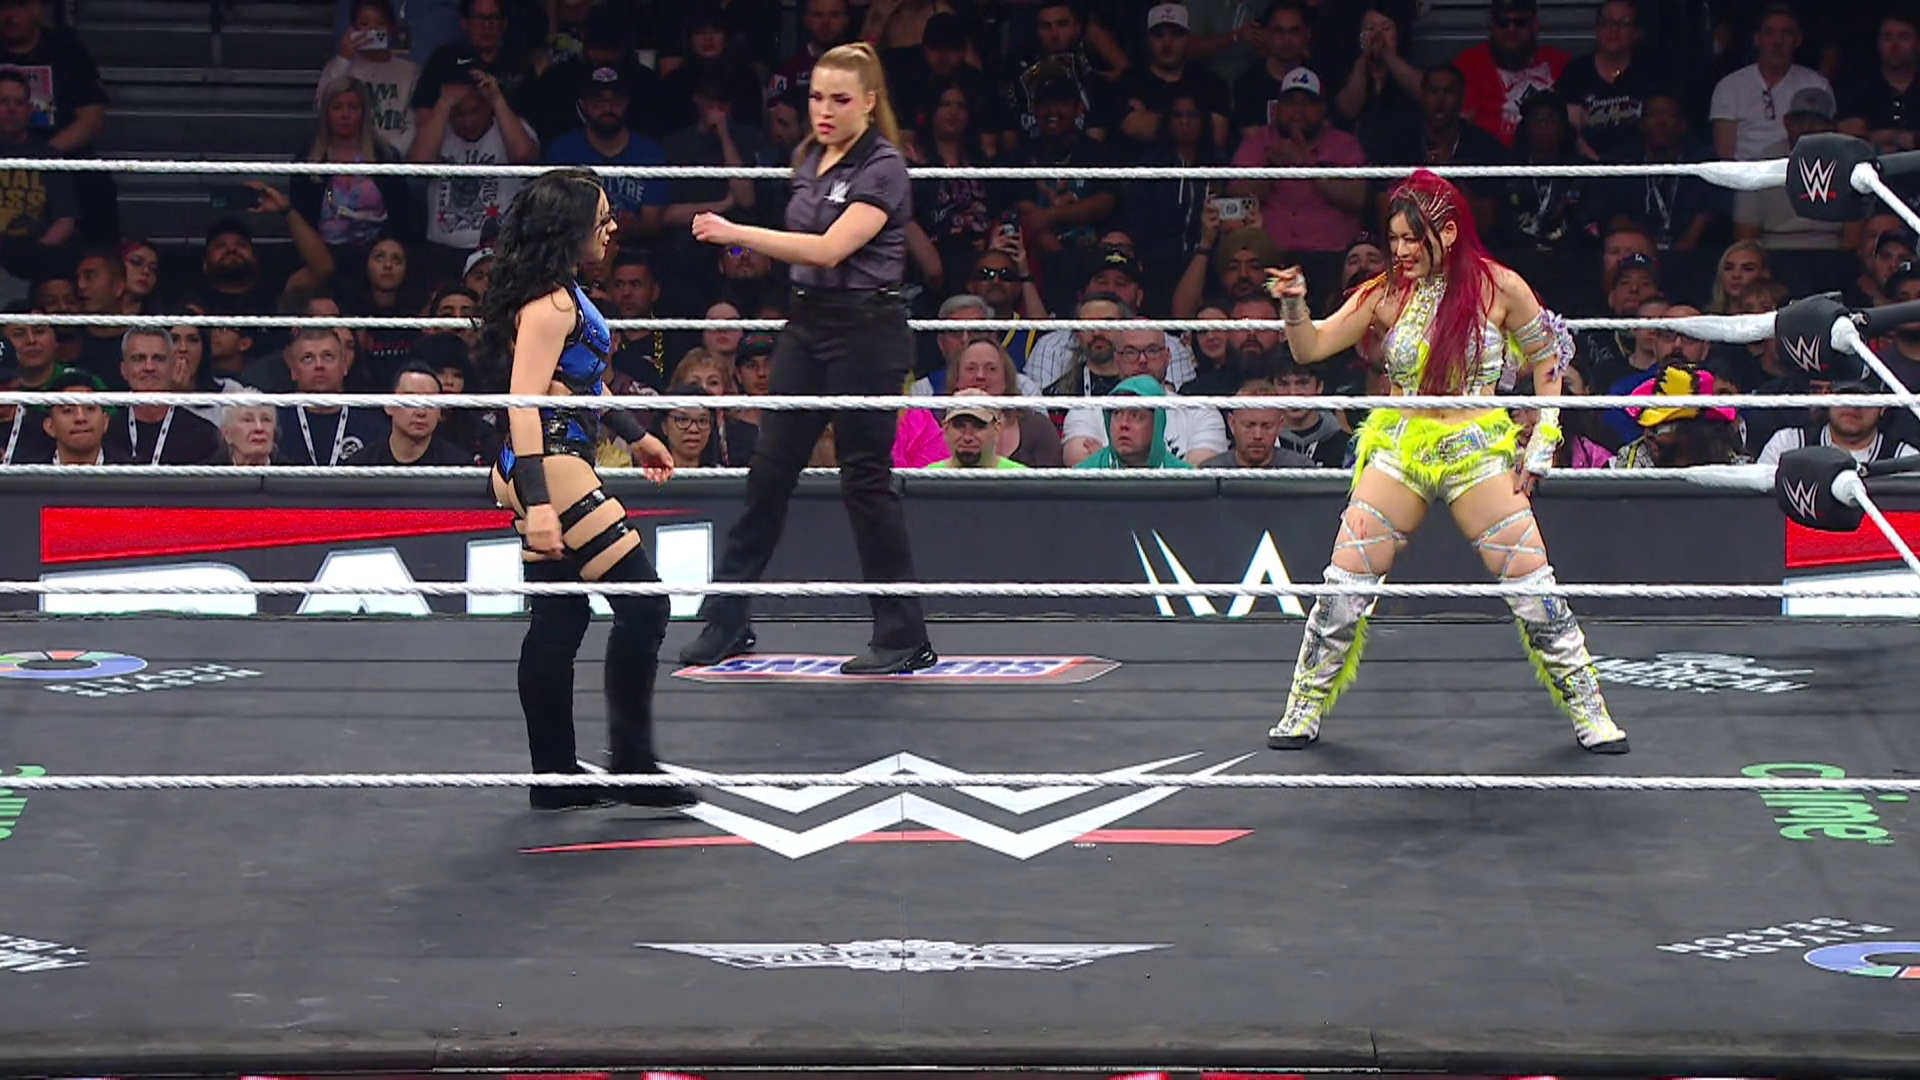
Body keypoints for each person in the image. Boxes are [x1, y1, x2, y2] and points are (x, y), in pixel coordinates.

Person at [1261, 169, 1629, 755]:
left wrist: (1543, 440)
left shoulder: (1499, 287)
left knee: (1532, 585)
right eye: (1394, 239)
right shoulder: (1384, 292)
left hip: (1475, 447)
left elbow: (1548, 358)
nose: (1401, 251)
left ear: (1448, 233)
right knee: (1343, 584)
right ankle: (1303, 706)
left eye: (1412, 238)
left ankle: (1591, 710)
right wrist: (1293, 304)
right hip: (1400, 445)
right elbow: (1311, 347)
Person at [678, 43, 937, 676]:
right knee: (768, 472)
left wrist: (735, 232)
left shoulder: (884, 166)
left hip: (867, 329)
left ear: (869, 103)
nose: (824, 110)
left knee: (864, 478)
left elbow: (827, 249)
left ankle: (903, 633)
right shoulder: (809, 157)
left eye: (840, 99)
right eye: (817, 96)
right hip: (806, 324)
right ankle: (727, 620)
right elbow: (804, 253)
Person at [473, 166, 698, 813]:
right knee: (645, 608)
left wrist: (636, 435)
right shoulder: (550, 305)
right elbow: (522, 400)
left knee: (561, 616)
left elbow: (580, 384)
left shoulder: (563, 293)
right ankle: (631, 766)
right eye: (601, 219)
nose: (612, 228)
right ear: (568, 228)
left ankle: (556, 776)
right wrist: (542, 502)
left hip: (550, 456)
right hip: (549, 461)